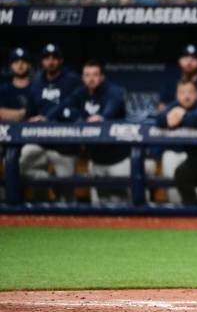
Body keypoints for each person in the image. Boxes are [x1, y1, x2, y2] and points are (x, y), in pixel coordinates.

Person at [19, 44, 82, 201]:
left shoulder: (73, 81)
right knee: (22, 162)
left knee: (66, 192)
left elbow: (76, 108)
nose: (51, 61)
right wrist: (31, 119)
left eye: (54, 58)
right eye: (47, 58)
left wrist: (49, 118)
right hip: (41, 141)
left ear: (60, 60)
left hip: (65, 143)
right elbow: (29, 113)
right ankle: (43, 190)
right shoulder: (36, 83)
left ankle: (66, 217)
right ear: (42, 61)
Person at [63, 60, 128, 205]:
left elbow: (112, 108)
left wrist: (102, 117)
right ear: (82, 77)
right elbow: (66, 108)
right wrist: (78, 119)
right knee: (101, 205)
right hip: (97, 159)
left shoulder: (113, 91)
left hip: (119, 159)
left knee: (125, 202)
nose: (91, 78)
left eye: (95, 74)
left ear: (102, 77)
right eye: (87, 75)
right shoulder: (80, 93)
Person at [158, 44, 197, 111]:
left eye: (194, 58)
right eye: (185, 57)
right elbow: (161, 108)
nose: (189, 61)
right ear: (179, 61)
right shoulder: (170, 84)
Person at [0, 48, 33, 122]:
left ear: (29, 65)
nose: (20, 64)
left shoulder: (37, 88)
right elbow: (1, 114)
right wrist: (26, 113)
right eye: (16, 61)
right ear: (10, 66)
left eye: (24, 61)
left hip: (32, 131)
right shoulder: (3, 90)